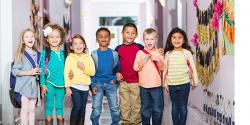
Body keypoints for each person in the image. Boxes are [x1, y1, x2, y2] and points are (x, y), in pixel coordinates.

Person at [163, 27, 199, 125]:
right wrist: (165, 83)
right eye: (174, 37)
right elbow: (165, 70)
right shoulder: (168, 54)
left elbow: (193, 67)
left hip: (184, 84)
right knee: (174, 106)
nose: (177, 40)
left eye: (180, 37)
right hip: (172, 84)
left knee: (183, 107)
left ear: (183, 40)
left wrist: (195, 81)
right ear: (170, 39)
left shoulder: (187, 53)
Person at [133, 28, 165, 125]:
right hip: (144, 86)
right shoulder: (140, 53)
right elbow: (135, 68)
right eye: (147, 39)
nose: (149, 41)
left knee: (158, 109)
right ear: (143, 40)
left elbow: (163, 67)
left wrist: (158, 60)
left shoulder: (159, 53)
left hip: (157, 86)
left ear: (156, 39)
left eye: (151, 39)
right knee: (145, 110)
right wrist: (144, 60)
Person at [90, 27, 120, 125]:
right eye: (101, 36)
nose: (103, 38)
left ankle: (115, 123)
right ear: (96, 39)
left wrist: (114, 79)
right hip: (97, 84)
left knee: (114, 107)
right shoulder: (93, 54)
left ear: (109, 39)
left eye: (106, 36)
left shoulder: (114, 54)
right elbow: (92, 72)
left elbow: (117, 69)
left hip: (111, 84)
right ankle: (95, 123)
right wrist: (93, 85)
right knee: (96, 108)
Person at [64, 34, 96, 125]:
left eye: (81, 43)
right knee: (77, 107)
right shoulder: (70, 58)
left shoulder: (88, 57)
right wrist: (67, 87)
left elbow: (92, 72)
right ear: (71, 47)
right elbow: (66, 73)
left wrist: (84, 68)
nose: (79, 46)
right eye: (76, 44)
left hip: (85, 87)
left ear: (84, 45)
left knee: (82, 109)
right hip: (74, 86)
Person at [115, 23, 143, 125]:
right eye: (127, 33)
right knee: (124, 104)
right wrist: (117, 72)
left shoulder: (139, 47)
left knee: (136, 105)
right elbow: (115, 64)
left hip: (136, 82)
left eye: (133, 33)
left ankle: (135, 122)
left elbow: (148, 57)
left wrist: (159, 52)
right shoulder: (118, 49)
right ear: (122, 33)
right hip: (123, 82)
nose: (130, 35)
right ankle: (125, 122)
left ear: (136, 35)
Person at [12, 28, 41, 125]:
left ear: (35, 39)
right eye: (27, 36)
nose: (30, 38)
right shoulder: (20, 54)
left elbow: (40, 70)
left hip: (34, 88)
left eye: (32, 36)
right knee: (24, 109)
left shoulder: (38, 54)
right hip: (23, 87)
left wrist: (40, 71)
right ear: (23, 41)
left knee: (32, 110)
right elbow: (14, 71)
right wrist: (30, 72)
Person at [40, 23, 67, 125]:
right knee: (49, 105)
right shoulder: (45, 53)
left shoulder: (64, 53)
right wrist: (42, 84)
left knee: (60, 105)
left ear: (61, 38)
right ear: (47, 39)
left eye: (57, 37)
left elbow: (67, 69)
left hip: (62, 84)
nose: (54, 39)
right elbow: (42, 70)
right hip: (49, 83)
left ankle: (60, 122)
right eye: (51, 37)